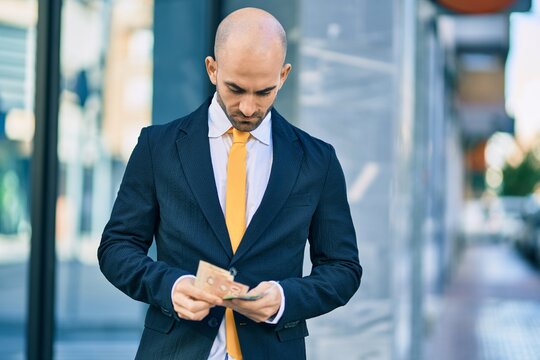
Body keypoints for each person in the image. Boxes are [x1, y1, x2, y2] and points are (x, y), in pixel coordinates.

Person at [98, 7, 362, 360]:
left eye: (264, 92)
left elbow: (343, 269)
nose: (249, 107)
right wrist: (170, 286)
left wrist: (285, 299)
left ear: (283, 76)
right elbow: (117, 246)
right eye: (235, 89)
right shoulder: (157, 147)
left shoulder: (318, 161)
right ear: (212, 69)